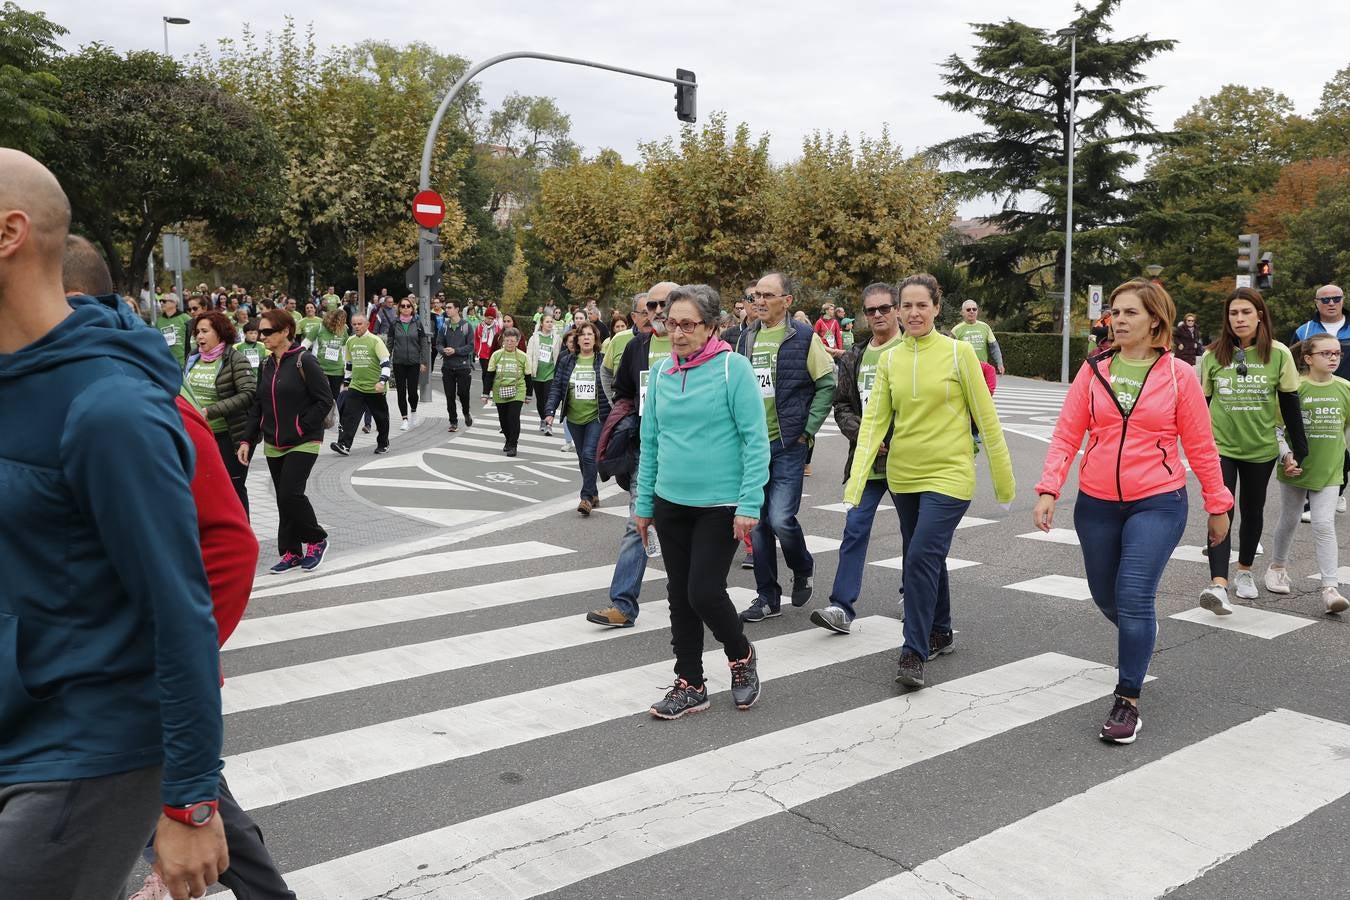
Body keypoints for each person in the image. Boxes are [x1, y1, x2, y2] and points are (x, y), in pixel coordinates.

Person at [0, 149, 227, 900]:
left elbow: (179, 607)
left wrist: (191, 802)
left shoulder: (110, 410)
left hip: (83, 754)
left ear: (9, 234)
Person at [1034, 279, 1232, 744]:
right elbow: (1066, 434)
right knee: (1108, 598)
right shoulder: (1095, 368)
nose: (1118, 321)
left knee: (1135, 593)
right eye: (1115, 313)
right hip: (1097, 502)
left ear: (1155, 322)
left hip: (1158, 500)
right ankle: (1140, 636)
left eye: (1130, 314)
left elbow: (1201, 446)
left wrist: (1218, 504)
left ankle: (1127, 700)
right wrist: (1049, 489)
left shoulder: (1179, 375)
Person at [845, 273, 1015, 690]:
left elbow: (986, 418)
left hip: (950, 474)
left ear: (938, 308)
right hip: (904, 476)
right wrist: (856, 480)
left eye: (923, 305)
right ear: (899, 311)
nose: (914, 313)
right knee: (924, 555)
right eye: (907, 306)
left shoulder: (959, 354)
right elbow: (874, 423)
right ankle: (940, 629)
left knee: (920, 556)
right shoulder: (889, 359)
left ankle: (914, 650)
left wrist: (1003, 479)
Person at [635, 284, 769, 718]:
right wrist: (643, 504)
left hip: (720, 505)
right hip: (670, 501)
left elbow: (755, 441)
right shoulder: (661, 373)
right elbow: (650, 441)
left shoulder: (734, 369)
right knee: (679, 594)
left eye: (687, 324)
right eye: (670, 323)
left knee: (704, 591)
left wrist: (749, 504)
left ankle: (741, 655)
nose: (676, 332)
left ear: (710, 326)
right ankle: (690, 682)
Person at [734, 272, 837, 623]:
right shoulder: (745, 339)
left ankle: (802, 565)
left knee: (779, 518)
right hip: (751, 445)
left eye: (767, 295)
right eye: (755, 295)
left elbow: (828, 384)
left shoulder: (805, 338)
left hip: (787, 443)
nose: (759, 301)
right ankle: (767, 596)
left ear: (787, 301)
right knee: (757, 523)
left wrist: (806, 430)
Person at [1198, 287, 1307, 614]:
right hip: (1221, 447)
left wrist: (1299, 449)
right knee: (1221, 509)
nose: (1240, 319)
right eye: (1233, 313)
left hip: (1261, 448)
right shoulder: (1212, 356)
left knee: (1253, 508)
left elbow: (1290, 404)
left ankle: (1244, 571)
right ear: (1226, 319)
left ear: (1260, 315)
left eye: (1246, 312)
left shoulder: (1279, 354)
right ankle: (1218, 584)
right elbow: (1201, 407)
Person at [813, 283, 904, 634]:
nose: (878, 315)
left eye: (884, 308)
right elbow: (841, 405)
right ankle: (841, 606)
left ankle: (913, 598)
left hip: (905, 460)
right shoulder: (855, 355)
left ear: (896, 309)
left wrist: (893, 437)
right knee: (854, 531)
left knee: (914, 536)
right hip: (865, 461)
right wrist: (864, 434)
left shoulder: (911, 351)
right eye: (871, 310)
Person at [587, 281, 678, 627]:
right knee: (635, 523)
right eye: (651, 305)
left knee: (685, 529)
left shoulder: (693, 345)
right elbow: (621, 389)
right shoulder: (636, 347)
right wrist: (624, 421)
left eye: (664, 304)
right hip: (646, 450)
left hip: (688, 454)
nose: (657, 311)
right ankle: (623, 605)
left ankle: (695, 597)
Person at [240, 309, 334, 574]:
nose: (262, 337)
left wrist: (301, 425)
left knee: (289, 493)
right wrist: (248, 439)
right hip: (274, 442)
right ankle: (291, 551)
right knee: (283, 500)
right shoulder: (267, 364)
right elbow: (258, 404)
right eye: (260, 332)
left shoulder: (305, 361)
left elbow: (325, 399)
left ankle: (317, 539)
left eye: (268, 332)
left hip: (304, 440)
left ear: (285, 332)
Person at [1265, 333, 1350, 614]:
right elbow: (1276, 429)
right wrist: (1286, 455)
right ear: (1308, 358)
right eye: (1326, 353)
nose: (1333, 358)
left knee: (1324, 524)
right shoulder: (1295, 388)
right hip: (1295, 466)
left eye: (1336, 353)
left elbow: (1345, 430)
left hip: (1329, 469)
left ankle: (1330, 588)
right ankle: (1277, 567)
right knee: (1289, 519)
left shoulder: (1345, 389)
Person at [186, 310, 257, 515]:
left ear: (220, 333)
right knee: (204, 489)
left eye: (204, 331)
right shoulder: (192, 357)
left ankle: (243, 538)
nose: (199, 336)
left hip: (229, 436)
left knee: (233, 489)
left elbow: (248, 393)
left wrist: (211, 411)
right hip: (198, 435)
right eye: (197, 332)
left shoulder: (236, 359)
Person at [1290, 283, 1350, 513]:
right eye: (1325, 300)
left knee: (1341, 447)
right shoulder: (1304, 331)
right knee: (1313, 444)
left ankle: (1338, 491)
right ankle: (1310, 496)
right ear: (1316, 303)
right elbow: (1291, 361)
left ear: (1343, 300)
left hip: (1344, 396)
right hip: (1313, 396)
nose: (1331, 303)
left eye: (1336, 298)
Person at [545, 320, 610, 514]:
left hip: (596, 416)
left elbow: (611, 386)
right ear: (578, 340)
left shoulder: (602, 360)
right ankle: (594, 491)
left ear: (596, 338)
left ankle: (586, 498)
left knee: (590, 454)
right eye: (583, 335)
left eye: (590, 334)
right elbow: (557, 386)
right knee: (583, 457)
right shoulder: (567, 360)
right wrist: (549, 411)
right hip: (574, 417)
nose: (587, 338)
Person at [331, 312, 392, 455]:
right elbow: (349, 364)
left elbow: (386, 364)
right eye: (354, 324)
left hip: (375, 387)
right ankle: (344, 445)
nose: (357, 327)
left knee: (381, 418)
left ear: (367, 325)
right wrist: (346, 383)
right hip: (356, 386)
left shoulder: (375, 341)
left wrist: (382, 381)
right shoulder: (350, 341)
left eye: (360, 324)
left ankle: (383, 443)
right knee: (349, 416)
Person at [487, 325, 530, 456]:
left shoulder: (523, 357)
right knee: (503, 419)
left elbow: (528, 377)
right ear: (503, 341)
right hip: (500, 389)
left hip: (518, 389)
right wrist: (485, 393)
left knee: (513, 417)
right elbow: (489, 375)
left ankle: (513, 444)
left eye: (513, 341)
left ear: (518, 342)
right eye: (507, 340)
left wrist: (528, 395)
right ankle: (508, 439)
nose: (510, 343)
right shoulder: (496, 355)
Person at [387, 296, 429, 431]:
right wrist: (385, 361)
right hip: (399, 362)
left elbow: (423, 344)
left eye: (408, 306)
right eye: (403, 306)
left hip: (414, 362)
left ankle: (414, 412)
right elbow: (389, 344)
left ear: (412, 308)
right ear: (399, 308)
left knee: (412, 392)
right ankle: (404, 419)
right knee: (400, 392)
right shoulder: (394, 324)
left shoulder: (417, 324)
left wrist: (423, 361)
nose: (405, 308)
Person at [435, 299, 475, 432]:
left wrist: (456, 350)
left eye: (449, 307)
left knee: (463, 393)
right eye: (446, 307)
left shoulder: (466, 326)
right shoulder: (444, 326)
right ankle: (453, 421)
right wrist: (443, 350)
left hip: (463, 366)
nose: (447, 310)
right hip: (447, 366)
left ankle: (466, 412)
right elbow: (438, 343)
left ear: (457, 309)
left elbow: (470, 346)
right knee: (449, 395)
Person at [527, 312, 561, 435]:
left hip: (550, 372)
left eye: (551, 322)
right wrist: (529, 371)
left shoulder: (557, 338)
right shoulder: (534, 338)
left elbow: (559, 355)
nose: (549, 324)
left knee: (549, 399)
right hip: (537, 373)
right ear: (541, 323)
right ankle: (543, 418)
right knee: (540, 400)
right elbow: (529, 355)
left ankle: (549, 424)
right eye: (547, 322)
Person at [951, 299, 1005, 375]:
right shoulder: (956, 330)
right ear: (962, 312)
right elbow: (950, 351)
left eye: (974, 309)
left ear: (977, 311)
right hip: (964, 370)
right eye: (968, 309)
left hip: (982, 370)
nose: (971, 311)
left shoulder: (985, 327)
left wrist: (1000, 363)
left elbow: (994, 347)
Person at [311, 307, 349, 413]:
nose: (344, 322)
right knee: (321, 395)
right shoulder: (318, 328)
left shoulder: (344, 330)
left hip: (337, 369)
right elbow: (304, 345)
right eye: (342, 319)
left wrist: (347, 367)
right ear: (334, 319)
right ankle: (321, 417)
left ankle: (340, 420)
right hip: (320, 368)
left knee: (336, 396)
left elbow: (345, 350)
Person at [156, 291, 192, 369]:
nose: (161, 303)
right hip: (166, 362)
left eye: (164, 301)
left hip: (183, 362)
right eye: (160, 301)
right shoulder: (159, 321)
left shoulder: (185, 318)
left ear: (174, 303)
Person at [475, 305, 501, 402]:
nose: (490, 320)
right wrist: (477, 351)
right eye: (488, 318)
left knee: (493, 373)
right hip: (483, 353)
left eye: (492, 318)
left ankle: (492, 390)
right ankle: (486, 390)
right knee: (485, 372)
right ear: (485, 317)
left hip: (493, 353)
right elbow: (477, 340)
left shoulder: (497, 327)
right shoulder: (480, 327)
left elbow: (498, 340)